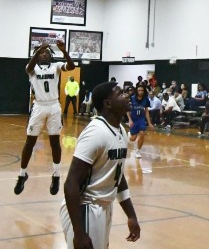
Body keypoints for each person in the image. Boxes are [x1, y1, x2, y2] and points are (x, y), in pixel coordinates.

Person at [60, 81, 141, 248]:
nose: (127, 95)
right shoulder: (95, 132)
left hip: (104, 206)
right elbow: (71, 183)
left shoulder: (121, 131)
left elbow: (117, 175)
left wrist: (131, 215)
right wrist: (79, 233)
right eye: (120, 93)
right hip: (86, 207)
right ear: (108, 103)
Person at [15, 40, 75, 196]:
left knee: (55, 142)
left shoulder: (56, 66)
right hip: (39, 106)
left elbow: (71, 67)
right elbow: (28, 68)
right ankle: (22, 175)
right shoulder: (32, 68)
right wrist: (38, 50)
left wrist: (64, 51)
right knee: (30, 142)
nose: (43, 54)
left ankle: (56, 175)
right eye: (40, 52)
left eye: (46, 52)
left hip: (54, 106)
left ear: (50, 55)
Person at [127, 86, 153, 158]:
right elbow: (127, 110)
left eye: (142, 90)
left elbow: (147, 111)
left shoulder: (146, 99)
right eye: (139, 90)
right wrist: (129, 119)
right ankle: (129, 134)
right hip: (133, 119)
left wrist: (149, 123)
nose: (140, 92)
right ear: (136, 91)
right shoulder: (132, 98)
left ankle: (138, 151)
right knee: (133, 138)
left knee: (142, 133)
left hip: (141, 119)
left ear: (144, 91)